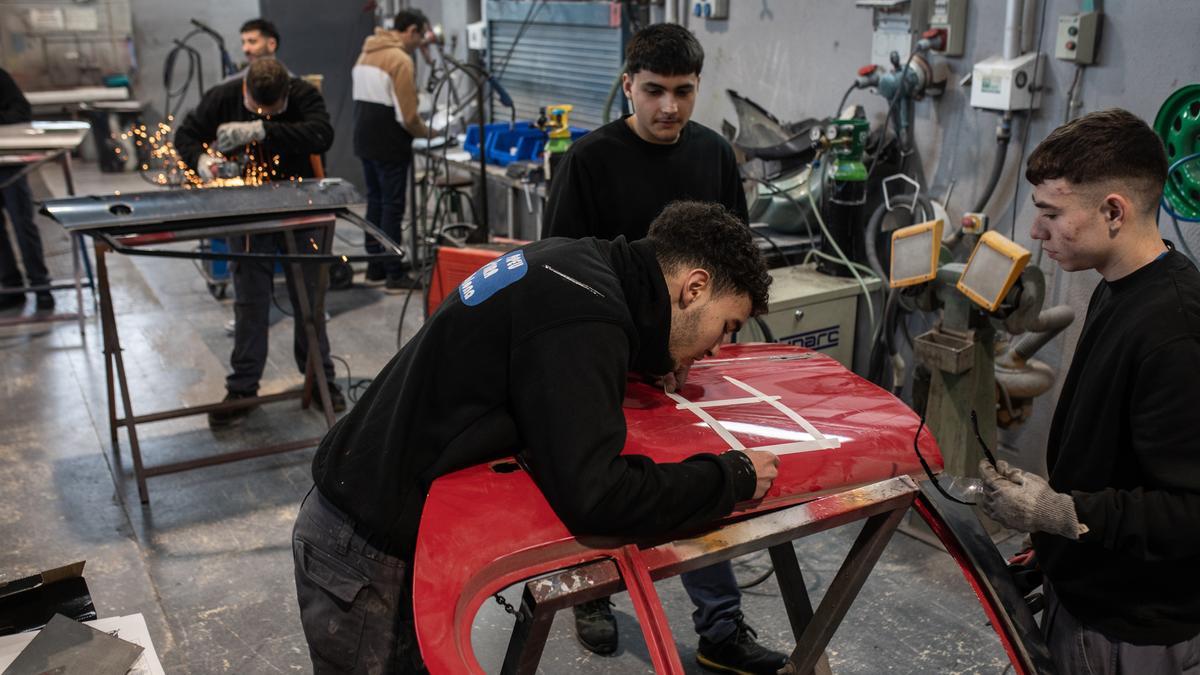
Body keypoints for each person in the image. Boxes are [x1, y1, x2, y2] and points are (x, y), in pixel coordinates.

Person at [292, 201, 780, 673]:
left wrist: (647, 360)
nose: (717, 348)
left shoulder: (577, 262)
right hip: (363, 547)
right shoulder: (586, 318)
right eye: (726, 327)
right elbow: (599, 497)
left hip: (371, 504)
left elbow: (547, 351)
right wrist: (729, 476)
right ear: (694, 288)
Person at [543, 24, 782, 674]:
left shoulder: (712, 155)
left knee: (703, 478)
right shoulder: (588, 161)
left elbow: (733, 263)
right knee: (595, 484)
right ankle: (590, 591)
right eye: (653, 91)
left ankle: (720, 628)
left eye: (682, 91)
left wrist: (691, 350)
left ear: (698, 87)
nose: (668, 107)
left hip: (684, 363)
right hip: (603, 363)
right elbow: (558, 272)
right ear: (628, 86)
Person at [978, 109, 1200, 673]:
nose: (1036, 231)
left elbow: (1190, 511)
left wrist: (1061, 512)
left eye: (1051, 213)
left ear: (1113, 211)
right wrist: (1057, 540)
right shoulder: (1118, 285)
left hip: (1133, 629)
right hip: (1085, 590)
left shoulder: (1174, 330)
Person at [174, 57, 344, 427]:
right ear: (246, 89)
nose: (266, 112)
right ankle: (243, 388)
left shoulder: (303, 95)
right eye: (257, 108)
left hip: (303, 210)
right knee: (250, 303)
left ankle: (320, 380)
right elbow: (183, 136)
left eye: (273, 110)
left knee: (309, 303)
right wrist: (201, 160)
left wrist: (263, 131)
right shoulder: (222, 97)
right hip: (248, 213)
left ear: (286, 92)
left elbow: (322, 134)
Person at [351, 10, 433, 292]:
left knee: (375, 201)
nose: (420, 41)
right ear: (411, 31)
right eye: (420, 35)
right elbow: (408, 117)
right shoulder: (400, 59)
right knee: (392, 206)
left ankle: (375, 267)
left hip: (364, 139)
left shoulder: (367, 52)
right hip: (389, 143)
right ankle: (394, 274)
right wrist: (429, 132)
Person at [0, 67, 53, 312]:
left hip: (9, 164)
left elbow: (22, 111)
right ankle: (12, 287)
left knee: (23, 224)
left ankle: (41, 287)